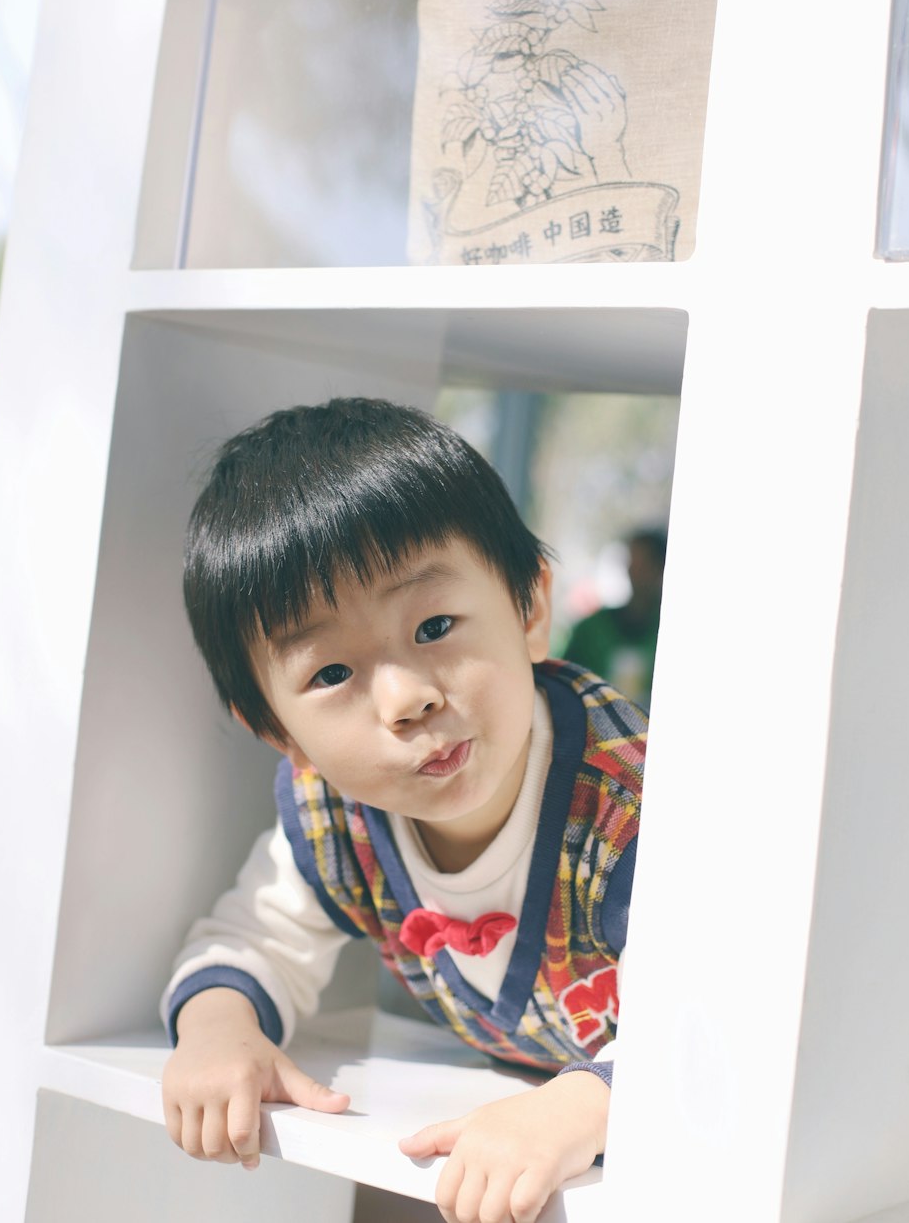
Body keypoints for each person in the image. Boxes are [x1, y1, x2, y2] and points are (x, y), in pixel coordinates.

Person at [161, 397, 646, 1223]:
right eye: (332, 675)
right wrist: (217, 1029)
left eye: (435, 625)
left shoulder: (627, 812)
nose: (406, 699)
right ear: (283, 735)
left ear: (530, 611)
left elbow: (725, 1017)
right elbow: (254, 937)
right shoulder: (336, 819)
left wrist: (581, 1108)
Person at [564, 528, 667, 711]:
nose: (635, 572)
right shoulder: (591, 629)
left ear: (661, 571)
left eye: (644, 565)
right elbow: (563, 681)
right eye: (633, 562)